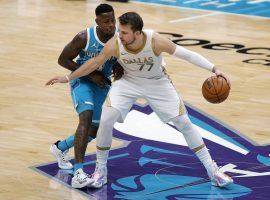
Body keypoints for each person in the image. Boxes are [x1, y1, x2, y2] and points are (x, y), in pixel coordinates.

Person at [46, 12, 233, 189]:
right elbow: (93, 64)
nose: (119, 35)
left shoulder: (155, 40)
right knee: (106, 119)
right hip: (128, 82)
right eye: (119, 30)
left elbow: (187, 54)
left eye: (124, 32)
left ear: (137, 33)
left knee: (183, 122)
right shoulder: (115, 43)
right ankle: (100, 171)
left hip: (156, 82)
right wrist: (67, 78)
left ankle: (212, 170)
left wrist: (214, 69)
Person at [49, 3, 119, 188]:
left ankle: (60, 147)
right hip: (82, 80)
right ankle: (78, 173)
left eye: (113, 20)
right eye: (106, 21)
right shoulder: (84, 37)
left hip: (102, 84)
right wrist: (91, 73)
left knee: (94, 131)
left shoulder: (120, 37)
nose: (111, 25)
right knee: (85, 118)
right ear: (97, 21)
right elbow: (62, 59)